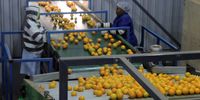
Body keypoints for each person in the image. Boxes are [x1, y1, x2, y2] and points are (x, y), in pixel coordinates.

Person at [20, 6, 47, 78]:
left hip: (36, 52)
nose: (39, 16)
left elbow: (42, 29)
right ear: (33, 14)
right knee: (30, 73)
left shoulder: (35, 22)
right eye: (38, 14)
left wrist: (43, 31)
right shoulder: (30, 25)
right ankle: (27, 86)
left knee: (35, 71)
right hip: (31, 53)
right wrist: (44, 33)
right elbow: (39, 38)